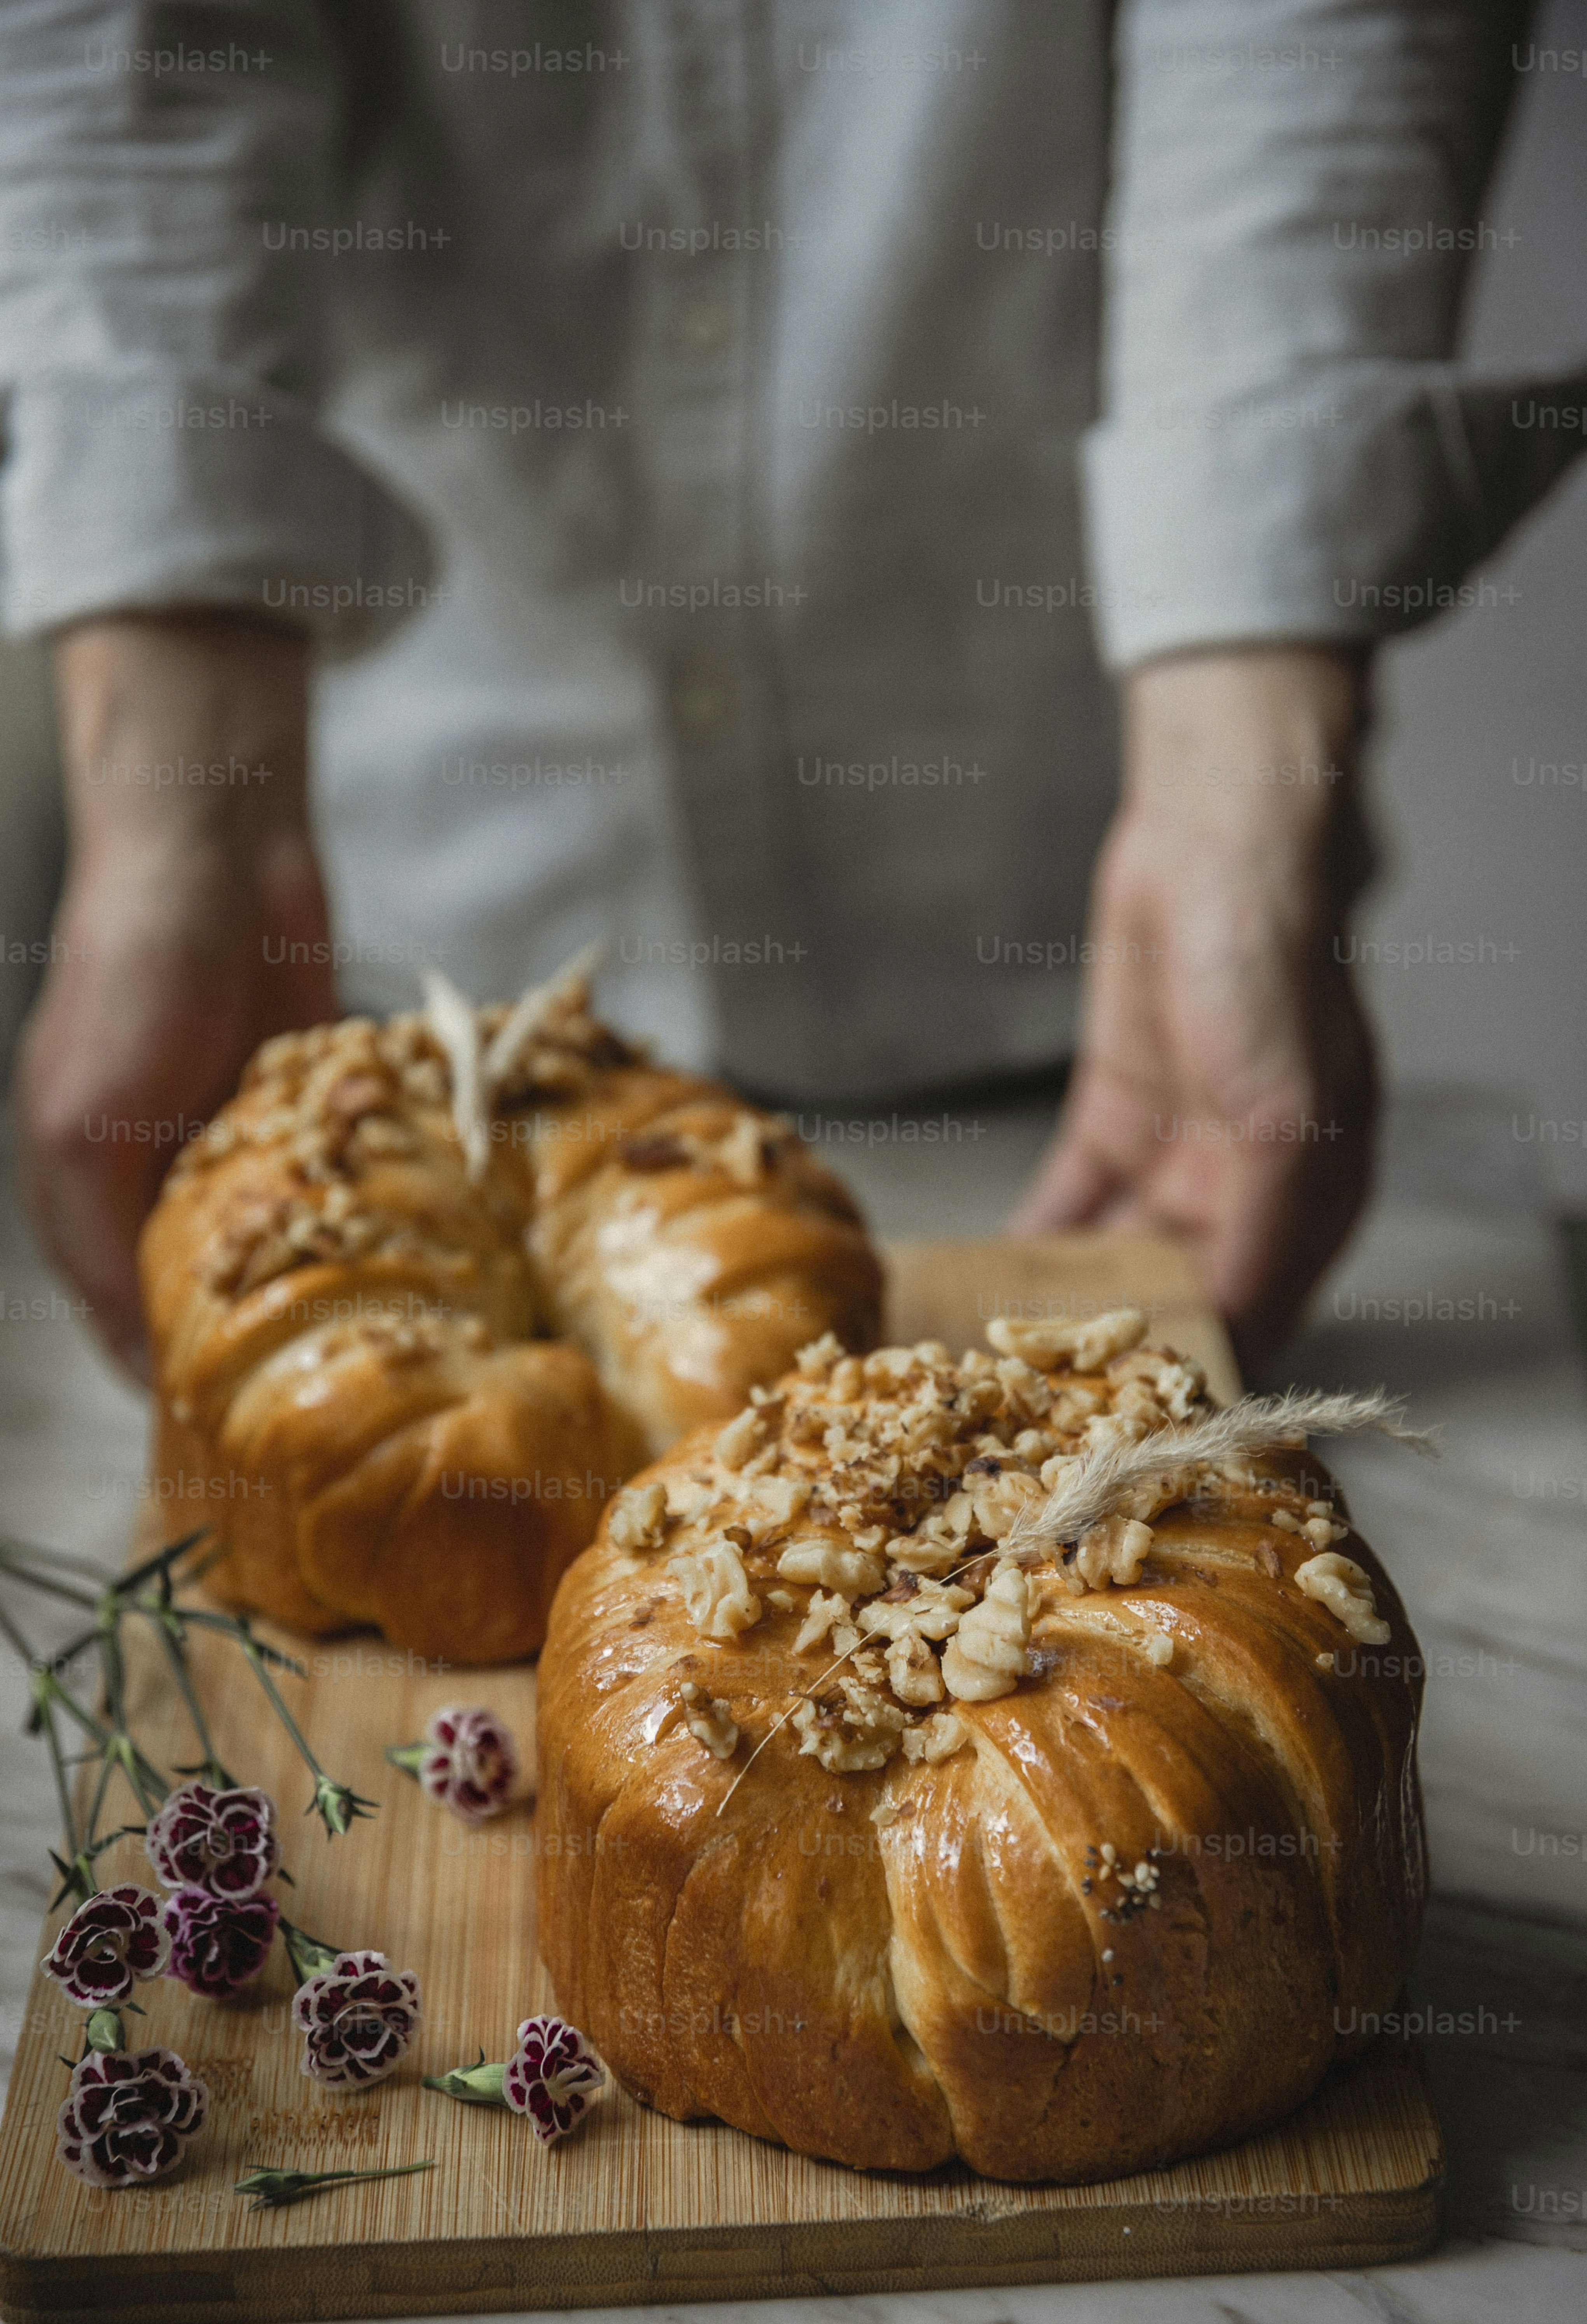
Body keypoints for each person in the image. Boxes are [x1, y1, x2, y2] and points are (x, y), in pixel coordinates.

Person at [2, 2, 1579, 1380]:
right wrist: (179, 830)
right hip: (408, 1008)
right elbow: (131, 48)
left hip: (1094, 1007)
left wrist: (1232, 812)